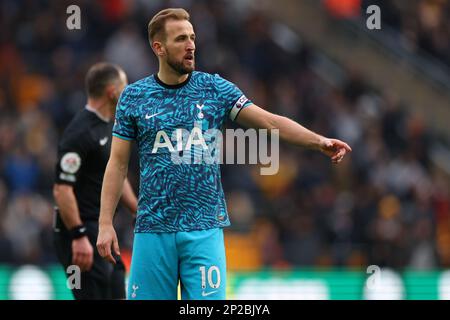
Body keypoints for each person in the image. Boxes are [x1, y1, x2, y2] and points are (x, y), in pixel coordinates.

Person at [96, 8, 352, 300]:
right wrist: (105, 224)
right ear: (159, 47)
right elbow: (117, 164)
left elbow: (268, 121)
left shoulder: (214, 88)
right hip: (153, 230)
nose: (191, 45)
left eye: (192, 37)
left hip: (204, 229)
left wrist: (317, 141)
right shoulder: (134, 97)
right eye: (181, 39)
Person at [53, 62, 138, 300]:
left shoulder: (109, 128)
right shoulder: (79, 133)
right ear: (112, 91)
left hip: (100, 231)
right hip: (78, 235)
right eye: (125, 87)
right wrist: (79, 236)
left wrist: (138, 212)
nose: (128, 92)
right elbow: (62, 190)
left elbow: (116, 177)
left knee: (116, 293)